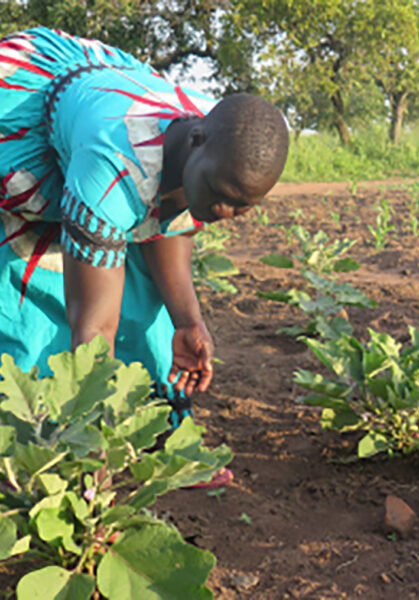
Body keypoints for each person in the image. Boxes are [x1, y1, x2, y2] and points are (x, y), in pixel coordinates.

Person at [0, 27, 289, 479]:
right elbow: (93, 325)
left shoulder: (211, 144)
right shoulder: (112, 167)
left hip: (103, 132)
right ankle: (42, 450)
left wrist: (189, 321)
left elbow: (168, 223)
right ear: (193, 142)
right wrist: (93, 439)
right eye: (220, 194)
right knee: (36, 285)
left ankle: (158, 444)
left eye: (243, 205)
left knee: (146, 303)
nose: (225, 212)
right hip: (24, 118)